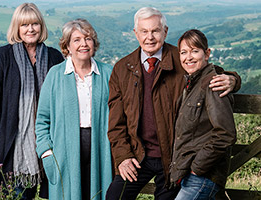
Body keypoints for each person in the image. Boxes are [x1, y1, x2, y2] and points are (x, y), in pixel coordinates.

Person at [106, 7, 241, 200]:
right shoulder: (122, 68)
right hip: (138, 155)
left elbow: (210, 74)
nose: (150, 37)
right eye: (144, 31)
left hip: (173, 158)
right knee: (114, 197)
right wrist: (123, 156)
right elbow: (116, 123)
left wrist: (232, 79)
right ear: (136, 33)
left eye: (155, 30)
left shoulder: (182, 58)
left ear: (165, 31)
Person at [0, 3, 64, 200]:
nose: (30, 29)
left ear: (41, 26)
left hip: (46, 143)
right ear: (16, 28)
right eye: (24, 25)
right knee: (14, 196)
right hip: (11, 149)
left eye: (35, 24)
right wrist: (3, 136)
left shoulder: (54, 57)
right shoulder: (2, 57)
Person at [35, 18, 113, 200]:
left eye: (88, 39)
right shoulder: (55, 75)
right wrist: (46, 153)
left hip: (101, 151)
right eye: (76, 40)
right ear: (67, 46)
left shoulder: (108, 73)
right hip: (64, 154)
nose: (83, 44)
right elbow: (42, 120)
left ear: (94, 43)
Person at [169, 29, 237, 200]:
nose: (188, 57)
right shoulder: (192, 83)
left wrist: (197, 167)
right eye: (184, 52)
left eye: (195, 51)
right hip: (190, 175)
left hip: (202, 176)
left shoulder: (213, 84)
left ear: (206, 53)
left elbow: (225, 133)